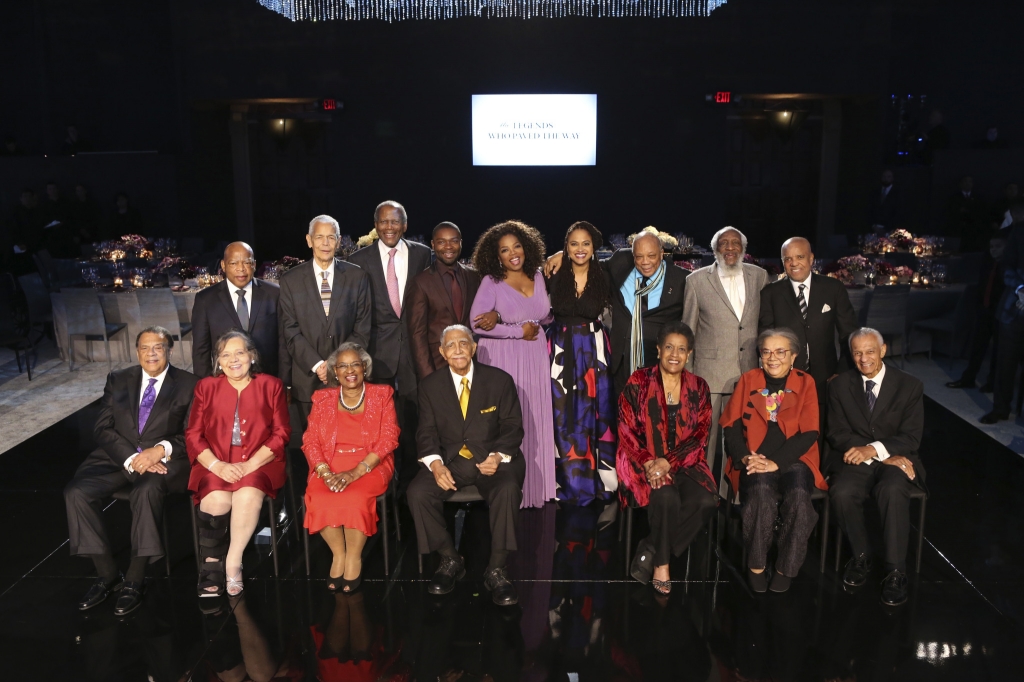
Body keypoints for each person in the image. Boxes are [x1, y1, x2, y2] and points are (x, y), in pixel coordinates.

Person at [64, 326, 199, 616]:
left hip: (166, 459)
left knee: (146, 490)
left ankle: (135, 580)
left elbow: (192, 434)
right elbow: (102, 427)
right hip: (118, 457)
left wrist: (158, 450)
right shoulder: (119, 379)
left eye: (158, 347)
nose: (151, 354)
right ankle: (107, 575)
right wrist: (131, 457)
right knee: (76, 492)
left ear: (170, 350)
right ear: (136, 352)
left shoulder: (190, 384)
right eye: (144, 348)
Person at [407, 325, 526, 606]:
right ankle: (450, 558)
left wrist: (497, 456)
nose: (458, 349)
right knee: (417, 493)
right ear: (441, 352)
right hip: (452, 461)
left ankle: (497, 568)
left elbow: (513, 426)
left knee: (508, 489)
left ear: (473, 348)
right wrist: (436, 466)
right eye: (450, 345)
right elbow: (425, 432)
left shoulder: (500, 381)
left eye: (463, 343)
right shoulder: (429, 386)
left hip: (492, 459)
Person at [185, 330, 291, 597]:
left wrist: (251, 464)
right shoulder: (206, 387)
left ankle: (233, 562)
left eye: (240, 352)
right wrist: (216, 466)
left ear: (252, 356)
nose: (234, 359)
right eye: (226, 355)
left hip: (261, 461)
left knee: (246, 495)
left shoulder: (272, 385)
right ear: (218, 361)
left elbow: (281, 433)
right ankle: (210, 565)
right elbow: (193, 435)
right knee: (217, 500)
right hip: (215, 460)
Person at [721, 329, 827, 593]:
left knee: (801, 500)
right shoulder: (748, 379)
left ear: (793, 356)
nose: (772, 358)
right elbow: (731, 426)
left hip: (794, 458)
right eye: (766, 351)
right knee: (759, 494)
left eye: (781, 352)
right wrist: (746, 456)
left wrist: (776, 462)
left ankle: (785, 567)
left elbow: (810, 432)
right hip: (755, 459)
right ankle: (756, 564)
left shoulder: (806, 382)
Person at [827, 328, 925, 607]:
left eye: (870, 351)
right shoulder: (839, 385)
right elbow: (836, 433)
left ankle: (895, 571)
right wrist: (877, 455)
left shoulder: (910, 385)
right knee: (842, 491)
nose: (863, 358)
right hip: (858, 458)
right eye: (857, 352)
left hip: (898, 457)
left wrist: (875, 449)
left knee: (892, 489)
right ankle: (861, 556)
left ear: (883, 351)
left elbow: (911, 437)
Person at [618, 321, 718, 595]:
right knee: (666, 496)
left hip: (686, 463)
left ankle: (649, 547)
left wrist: (669, 462)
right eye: (669, 348)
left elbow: (700, 435)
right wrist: (651, 462)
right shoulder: (638, 381)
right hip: (645, 462)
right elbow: (626, 430)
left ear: (689, 354)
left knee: (706, 500)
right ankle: (662, 564)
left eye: (682, 349)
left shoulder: (699, 386)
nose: (675, 354)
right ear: (659, 349)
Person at [469, 220, 555, 508]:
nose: (513, 253)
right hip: (503, 357)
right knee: (506, 420)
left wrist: (535, 324)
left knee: (533, 417)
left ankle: (535, 489)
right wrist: (515, 329)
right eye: (505, 250)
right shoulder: (491, 282)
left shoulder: (539, 276)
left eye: (517, 246)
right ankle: (507, 492)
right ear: (497, 256)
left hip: (534, 357)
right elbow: (476, 324)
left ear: (527, 247)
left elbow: (543, 316)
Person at [302, 342, 398, 592]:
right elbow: (310, 439)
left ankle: (354, 556)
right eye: (342, 365)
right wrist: (323, 471)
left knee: (355, 497)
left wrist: (356, 471)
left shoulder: (382, 394)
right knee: (320, 496)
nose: (349, 370)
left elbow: (389, 437)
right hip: (329, 463)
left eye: (355, 363)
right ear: (335, 371)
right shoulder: (322, 398)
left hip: (369, 464)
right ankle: (338, 554)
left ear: (364, 367)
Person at [347, 201, 431, 485]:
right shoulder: (359, 260)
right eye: (383, 222)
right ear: (375, 224)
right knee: (378, 421)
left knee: (413, 419)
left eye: (395, 222)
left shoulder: (423, 255)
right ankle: (381, 481)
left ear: (404, 225)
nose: (389, 227)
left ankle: (411, 484)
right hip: (376, 352)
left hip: (413, 350)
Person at [544, 228, 688, 394]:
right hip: (619, 366)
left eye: (651, 255)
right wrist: (563, 254)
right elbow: (588, 263)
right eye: (639, 256)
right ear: (632, 255)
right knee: (621, 416)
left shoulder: (681, 280)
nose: (645, 262)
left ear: (662, 253)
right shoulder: (620, 263)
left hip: (657, 366)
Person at [682, 226, 769, 474]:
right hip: (709, 376)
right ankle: (703, 495)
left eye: (735, 243)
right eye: (724, 243)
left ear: (743, 249)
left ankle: (733, 499)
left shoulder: (760, 277)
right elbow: (688, 331)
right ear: (714, 249)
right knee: (704, 442)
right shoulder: (696, 280)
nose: (729, 248)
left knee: (742, 443)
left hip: (749, 374)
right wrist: (688, 378)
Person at [546, 221, 616, 505]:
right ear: (566, 245)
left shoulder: (606, 274)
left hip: (593, 350)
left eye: (585, 243)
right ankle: (563, 482)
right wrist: (554, 257)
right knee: (560, 413)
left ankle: (598, 481)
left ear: (594, 246)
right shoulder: (552, 273)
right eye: (573, 243)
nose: (579, 249)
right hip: (560, 350)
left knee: (594, 413)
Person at [279, 214, 371, 425]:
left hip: (347, 379)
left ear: (338, 241)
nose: (325, 243)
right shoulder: (290, 281)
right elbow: (290, 330)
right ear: (309, 240)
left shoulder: (357, 277)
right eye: (319, 237)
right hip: (307, 380)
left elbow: (362, 328)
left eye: (331, 237)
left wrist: (334, 365)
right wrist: (319, 365)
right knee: (311, 449)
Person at [758, 237, 858, 405]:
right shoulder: (770, 293)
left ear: (811, 258)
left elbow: (849, 333)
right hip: (785, 378)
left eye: (800, 257)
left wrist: (841, 372)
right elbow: (765, 336)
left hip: (826, 377)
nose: (794, 263)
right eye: (787, 259)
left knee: (822, 427)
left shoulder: (833, 288)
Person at [191, 241, 284, 380]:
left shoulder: (274, 294)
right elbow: (201, 350)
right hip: (225, 381)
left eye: (246, 262)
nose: (241, 269)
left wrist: (286, 381)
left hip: (268, 379)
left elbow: (284, 342)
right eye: (233, 263)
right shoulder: (205, 300)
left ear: (254, 264)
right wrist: (204, 386)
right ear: (223, 265)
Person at [407, 221, 483, 380]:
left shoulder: (473, 277)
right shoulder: (421, 282)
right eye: (442, 242)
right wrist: (428, 377)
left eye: (454, 241)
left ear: (461, 243)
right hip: (437, 365)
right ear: (433, 245)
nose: (448, 246)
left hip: (471, 364)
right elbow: (417, 335)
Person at [947, 235, 1006, 392]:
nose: (993, 250)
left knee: (997, 350)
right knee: (978, 346)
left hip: (999, 312)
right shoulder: (988, 264)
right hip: (984, 310)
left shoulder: (1008, 266)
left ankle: (992, 383)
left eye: (998, 246)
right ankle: (969, 378)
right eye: (991, 247)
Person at [982, 202, 1024, 423]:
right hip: (1013, 310)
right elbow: (1006, 266)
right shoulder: (1019, 232)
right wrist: (1021, 290)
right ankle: (1000, 409)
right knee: (1005, 362)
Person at [945, 176, 988, 251]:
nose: (967, 183)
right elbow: (952, 212)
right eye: (965, 181)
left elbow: (980, 212)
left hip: (973, 230)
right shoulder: (954, 198)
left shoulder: (978, 197)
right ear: (960, 184)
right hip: (958, 230)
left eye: (970, 181)